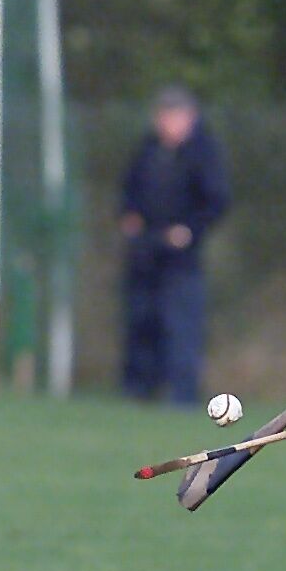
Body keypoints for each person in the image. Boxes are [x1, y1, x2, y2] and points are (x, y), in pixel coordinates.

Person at [119, 86, 230, 406]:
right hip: (145, 252)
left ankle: (182, 393)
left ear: (189, 119)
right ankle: (138, 390)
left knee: (181, 324)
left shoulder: (203, 153)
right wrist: (130, 217)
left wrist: (189, 231)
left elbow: (217, 201)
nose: (167, 123)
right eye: (163, 116)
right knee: (141, 320)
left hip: (182, 258)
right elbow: (129, 191)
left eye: (174, 116)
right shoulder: (147, 150)